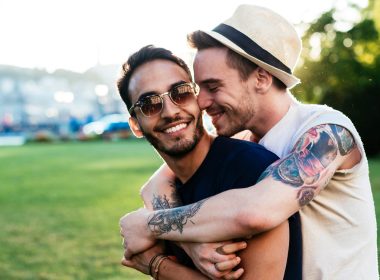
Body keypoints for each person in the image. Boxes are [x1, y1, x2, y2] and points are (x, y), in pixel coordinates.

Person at [120, 5, 378, 279]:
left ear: (261, 79)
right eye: (198, 88)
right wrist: (192, 244)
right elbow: (159, 182)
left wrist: (149, 226)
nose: (203, 102)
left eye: (214, 87)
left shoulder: (326, 132)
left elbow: (256, 211)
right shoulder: (244, 138)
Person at [117, 45, 302, 279]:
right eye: (149, 104)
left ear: (198, 100)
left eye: (180, 92)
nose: (170, 112)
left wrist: (156, 264)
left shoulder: (249, 168)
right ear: (135, 125)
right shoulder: (166, 191)